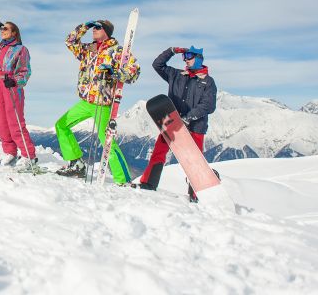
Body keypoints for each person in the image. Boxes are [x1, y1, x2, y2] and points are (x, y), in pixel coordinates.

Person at [55, 19, 140, 182]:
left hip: (102, 103)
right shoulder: (88, 49)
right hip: (86, 101)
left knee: (107, 142)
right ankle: (76, 163)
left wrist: (114, 72)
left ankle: (123, 179)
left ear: (106, 31)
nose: (94, 29)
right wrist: (84, 27)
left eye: (98, 27)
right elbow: (70, 42)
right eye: (93, 27)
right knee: (61, 125)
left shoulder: (117, 51)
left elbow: (134, 72)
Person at [138, 46, 218, 191]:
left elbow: (209, 105)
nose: (185, 59)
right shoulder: (176, 75)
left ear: (199, 58)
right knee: (158, 152)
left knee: (194, 161)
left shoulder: (208, 82)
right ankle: (148, 183)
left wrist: (188, 118)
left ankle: (196, 192)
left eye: (189, 56)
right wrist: (171, 51)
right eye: (184, 56)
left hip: (195, 127)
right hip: (172, 123)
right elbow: (157, 65)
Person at [0, 20, 37, 169]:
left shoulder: (21, 49)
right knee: (1, 122)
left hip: (11, 85)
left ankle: (29, 155)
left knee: (15, 121)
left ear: (14, 33)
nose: (2, 31)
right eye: (1, 29)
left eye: (6, 29)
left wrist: (15, 81)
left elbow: (25, 71)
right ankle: (10, 152)